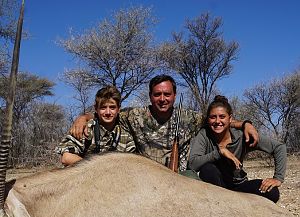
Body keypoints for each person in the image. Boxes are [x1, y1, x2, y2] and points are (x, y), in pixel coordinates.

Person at [70, 75, 259, 172]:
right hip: (143, 176)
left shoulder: (189, 117)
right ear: (150, 96)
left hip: (178, 176)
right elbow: (107, 113)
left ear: (174, 95)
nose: (162, 99)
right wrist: (84, 117)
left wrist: (245, 124)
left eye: (167, 94)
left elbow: (218, 121)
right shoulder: (134, 115)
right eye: (157, 94)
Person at [188, 95, 287, 202]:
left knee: (272, 192)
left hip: (239, 185)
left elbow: (279, 147)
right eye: (213, 117)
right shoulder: (204, 135)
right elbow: (192, 164)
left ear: (230, 118)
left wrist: (278, 178)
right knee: (207, 169)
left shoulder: (243, 136)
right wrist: (218, 153)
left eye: (222, 117)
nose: (217, 121)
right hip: (216, 186)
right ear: (208, 119)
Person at [56, 85, 136, 166]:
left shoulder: (126, 135)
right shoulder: (86, 129)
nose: (108, 112)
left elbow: (131, 163)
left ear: (118, 109)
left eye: (112, 108)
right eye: (103, 108)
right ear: (96, 109)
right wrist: (98, 168)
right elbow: (66, 158)